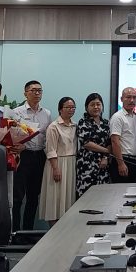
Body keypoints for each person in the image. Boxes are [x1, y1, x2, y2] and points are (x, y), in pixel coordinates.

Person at [7, 80, 51, 231]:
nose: (37, 93)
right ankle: (15, 232)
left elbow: (46, 136)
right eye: (33, 90)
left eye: (39, 90)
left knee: (33, 196)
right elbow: (10, 135)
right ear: (25, 93)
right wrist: (18, 146)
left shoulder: (46, 113)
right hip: (23, 156)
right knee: (18, 196)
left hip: (39, 156)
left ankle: (27, 231)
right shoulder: (16, 112)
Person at [39, 97, 77, 226]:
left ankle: (66, 231)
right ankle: (53, 232)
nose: (71, 110)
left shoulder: (75, 125)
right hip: (57, 164)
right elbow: (51, 150)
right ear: (60, 109)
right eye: (68, 107)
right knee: (55, 199)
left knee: (67, 199)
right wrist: (55, 169)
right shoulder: (54, 126)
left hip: (71, 164)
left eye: (73, 107)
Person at [76, 93, 112, 197]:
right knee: (86, 196)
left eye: (98, 104)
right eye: (92, 104)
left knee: (103, 195)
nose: (96, 107)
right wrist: (106, 151)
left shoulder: (106, 123)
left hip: (103, 164)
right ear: (87, 107)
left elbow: (109, 142)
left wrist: (105, 157)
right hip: (87, 164)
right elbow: (86, 143)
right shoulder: (83, 122)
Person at [109, 86, 136, 183]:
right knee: (121, 190)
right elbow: (114, 141)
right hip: (124, 161)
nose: (131, 100)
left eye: (134, 97)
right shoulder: (117, 117)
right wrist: (121, 164)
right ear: (121, 99)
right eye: (128, 97)